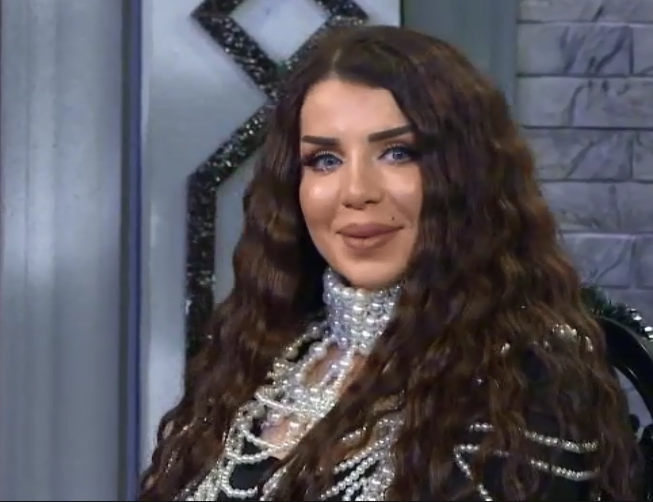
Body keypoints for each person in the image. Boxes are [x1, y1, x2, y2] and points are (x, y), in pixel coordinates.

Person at [138, 25, 641, 501]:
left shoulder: (530, 381)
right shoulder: (264, 354)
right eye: (325, 160)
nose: (357, 191)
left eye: (398, 153)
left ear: (467, 174)